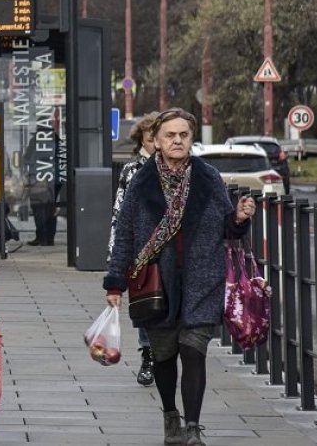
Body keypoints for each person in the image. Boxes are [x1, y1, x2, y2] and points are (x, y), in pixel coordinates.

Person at [103, 108, 256, 446]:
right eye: (170, 135)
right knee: (164, 355)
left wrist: (241, 218)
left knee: (193, 350)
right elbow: (124, 233)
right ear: (156, 141)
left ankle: (192, 427)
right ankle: (170, 414)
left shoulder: (208, 177)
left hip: (203, 280)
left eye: (183, 135)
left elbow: (227, 228)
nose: (177, 140)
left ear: (191, 139)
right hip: (156, 283)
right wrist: (115, 281)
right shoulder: (141, 182)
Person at [106, 112, 159, 387]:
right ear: (142, 139)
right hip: (142, 251)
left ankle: (166, 356)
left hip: (175, 251)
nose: (158, 145)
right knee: (146, 307)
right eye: (152, 139)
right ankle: (148, 355)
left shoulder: (185, 167)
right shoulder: (132, 170)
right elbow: (120, 215)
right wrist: (115, 261)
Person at [26, 174, 57, 246]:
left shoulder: (35, 168)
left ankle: (43, 239)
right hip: (47, 194)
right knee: (47, 216)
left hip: (39, 194)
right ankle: (48, 239)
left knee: (41, 217)